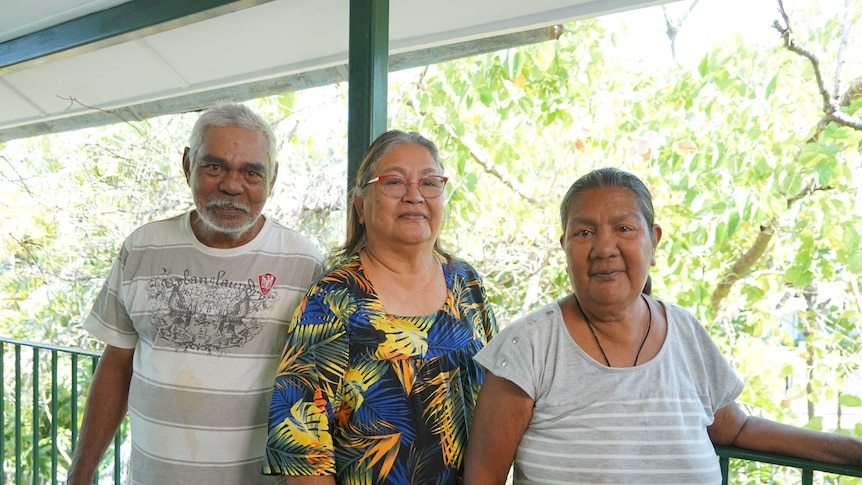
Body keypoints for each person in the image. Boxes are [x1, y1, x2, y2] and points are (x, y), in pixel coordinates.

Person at [463, 167, 862, 484]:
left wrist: (850, 450)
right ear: (565, 245)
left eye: (624, 228)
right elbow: (483, 478)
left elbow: (733, 428)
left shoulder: (686, 332)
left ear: (652, 242)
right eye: (584, 232)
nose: (604, 248)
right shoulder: (529, 346)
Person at [66, 104, 325, 485]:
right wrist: (80, 472)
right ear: (188, 164)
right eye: (214, 166)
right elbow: (117, 364)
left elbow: (319, 389)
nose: (232, 186)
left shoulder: (305, 263)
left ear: (273, 177)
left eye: (252, 172)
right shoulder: (141, 248)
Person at [262, 129, 498, 483]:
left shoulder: (468, 284)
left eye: (430, 182)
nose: (414, 195)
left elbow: (499, 400)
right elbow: (303, 450)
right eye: (394, 182)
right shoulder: (330, 300)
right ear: (360, 205)